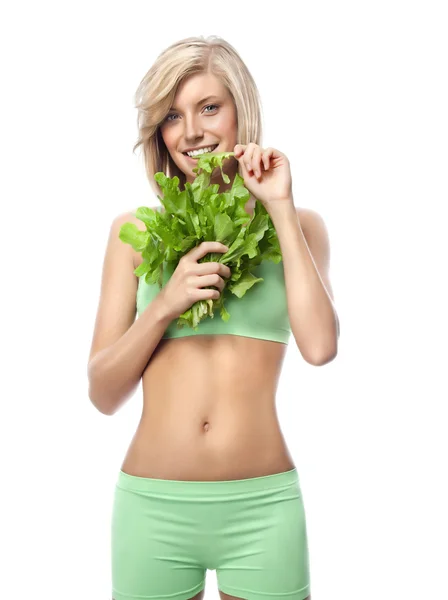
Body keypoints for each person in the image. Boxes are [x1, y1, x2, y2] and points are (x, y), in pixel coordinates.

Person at [87, 35, 339, 600]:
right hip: (152, 508)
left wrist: (277, 203)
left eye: (209, 107)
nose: (192, 132)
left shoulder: (302, 226)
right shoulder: (134, 234)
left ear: (240, 111)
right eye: (172, 116)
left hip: (263, 508)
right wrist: (167, 303)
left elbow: (320, 347)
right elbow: (102, 391)